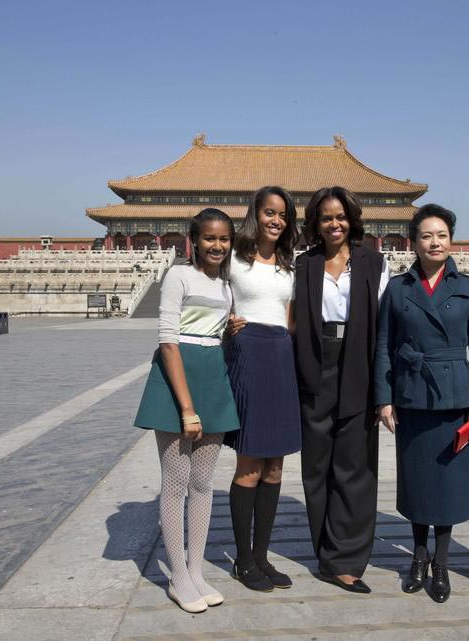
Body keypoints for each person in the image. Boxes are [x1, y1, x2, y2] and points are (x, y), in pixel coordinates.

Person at [374, 204, 469, 603]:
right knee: (417, 482)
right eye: (426, 235)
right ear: (414, 242)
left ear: (451, 240)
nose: (434, 242)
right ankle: (417, 557)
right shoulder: (397, 288)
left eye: (441, 234)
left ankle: (441, 562)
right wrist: (385, 399)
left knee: (448, 485)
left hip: (454, 400)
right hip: (411, 396)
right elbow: (384, 347)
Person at [133, 209, 240, 613]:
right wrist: (187, 408)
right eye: (209, 238)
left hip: (213, 376)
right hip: (177, 382)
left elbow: (211, 332)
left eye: (224, 239)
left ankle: (196, 570)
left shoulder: (226, 284)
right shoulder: (177, 275)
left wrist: (230, 329)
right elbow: (169, 341)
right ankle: (177, 575)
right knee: (175, 484)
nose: (217, 246)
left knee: (203, 484)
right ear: (193, 240)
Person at [293, 186, 389, 594]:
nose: (334, 224)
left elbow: (386, 325)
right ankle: (324, 552)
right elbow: (289, 317)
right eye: (326, 217)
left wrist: (385, 387)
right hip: (315, 360)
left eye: (341, 217)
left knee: (354, 465)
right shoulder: (303, 264)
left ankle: (348, 559)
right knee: (316, 465)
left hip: (358, 360)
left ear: (352, 220)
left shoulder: (374, 263)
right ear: (315, 222)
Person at [224, 186, 301, 592]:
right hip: (249, 354)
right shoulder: (234, 258)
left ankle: (263, 556)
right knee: (250, 465)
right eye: (269, 212)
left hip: (281, 355)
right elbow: (210, 302)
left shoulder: (289, 263)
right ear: (255, 213)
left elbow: (290, 319)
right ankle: (242, 558)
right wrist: (225, 324)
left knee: (275, 468)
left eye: (283, 215)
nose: (276, 220)